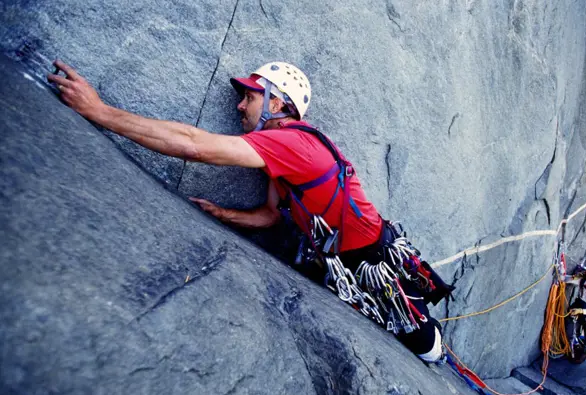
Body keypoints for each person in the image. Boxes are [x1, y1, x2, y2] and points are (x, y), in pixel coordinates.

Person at [47, 60, 452, 363]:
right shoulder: (288, 150)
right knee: (409, 340)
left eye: (251, 97)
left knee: (428, 348)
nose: (241, 106)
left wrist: (99, 112)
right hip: (347, 260)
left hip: (370, 261)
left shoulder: (294, 144)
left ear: (278, 102)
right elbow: (272, 215)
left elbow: (194, 145)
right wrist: (226, 216)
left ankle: (434, 341)